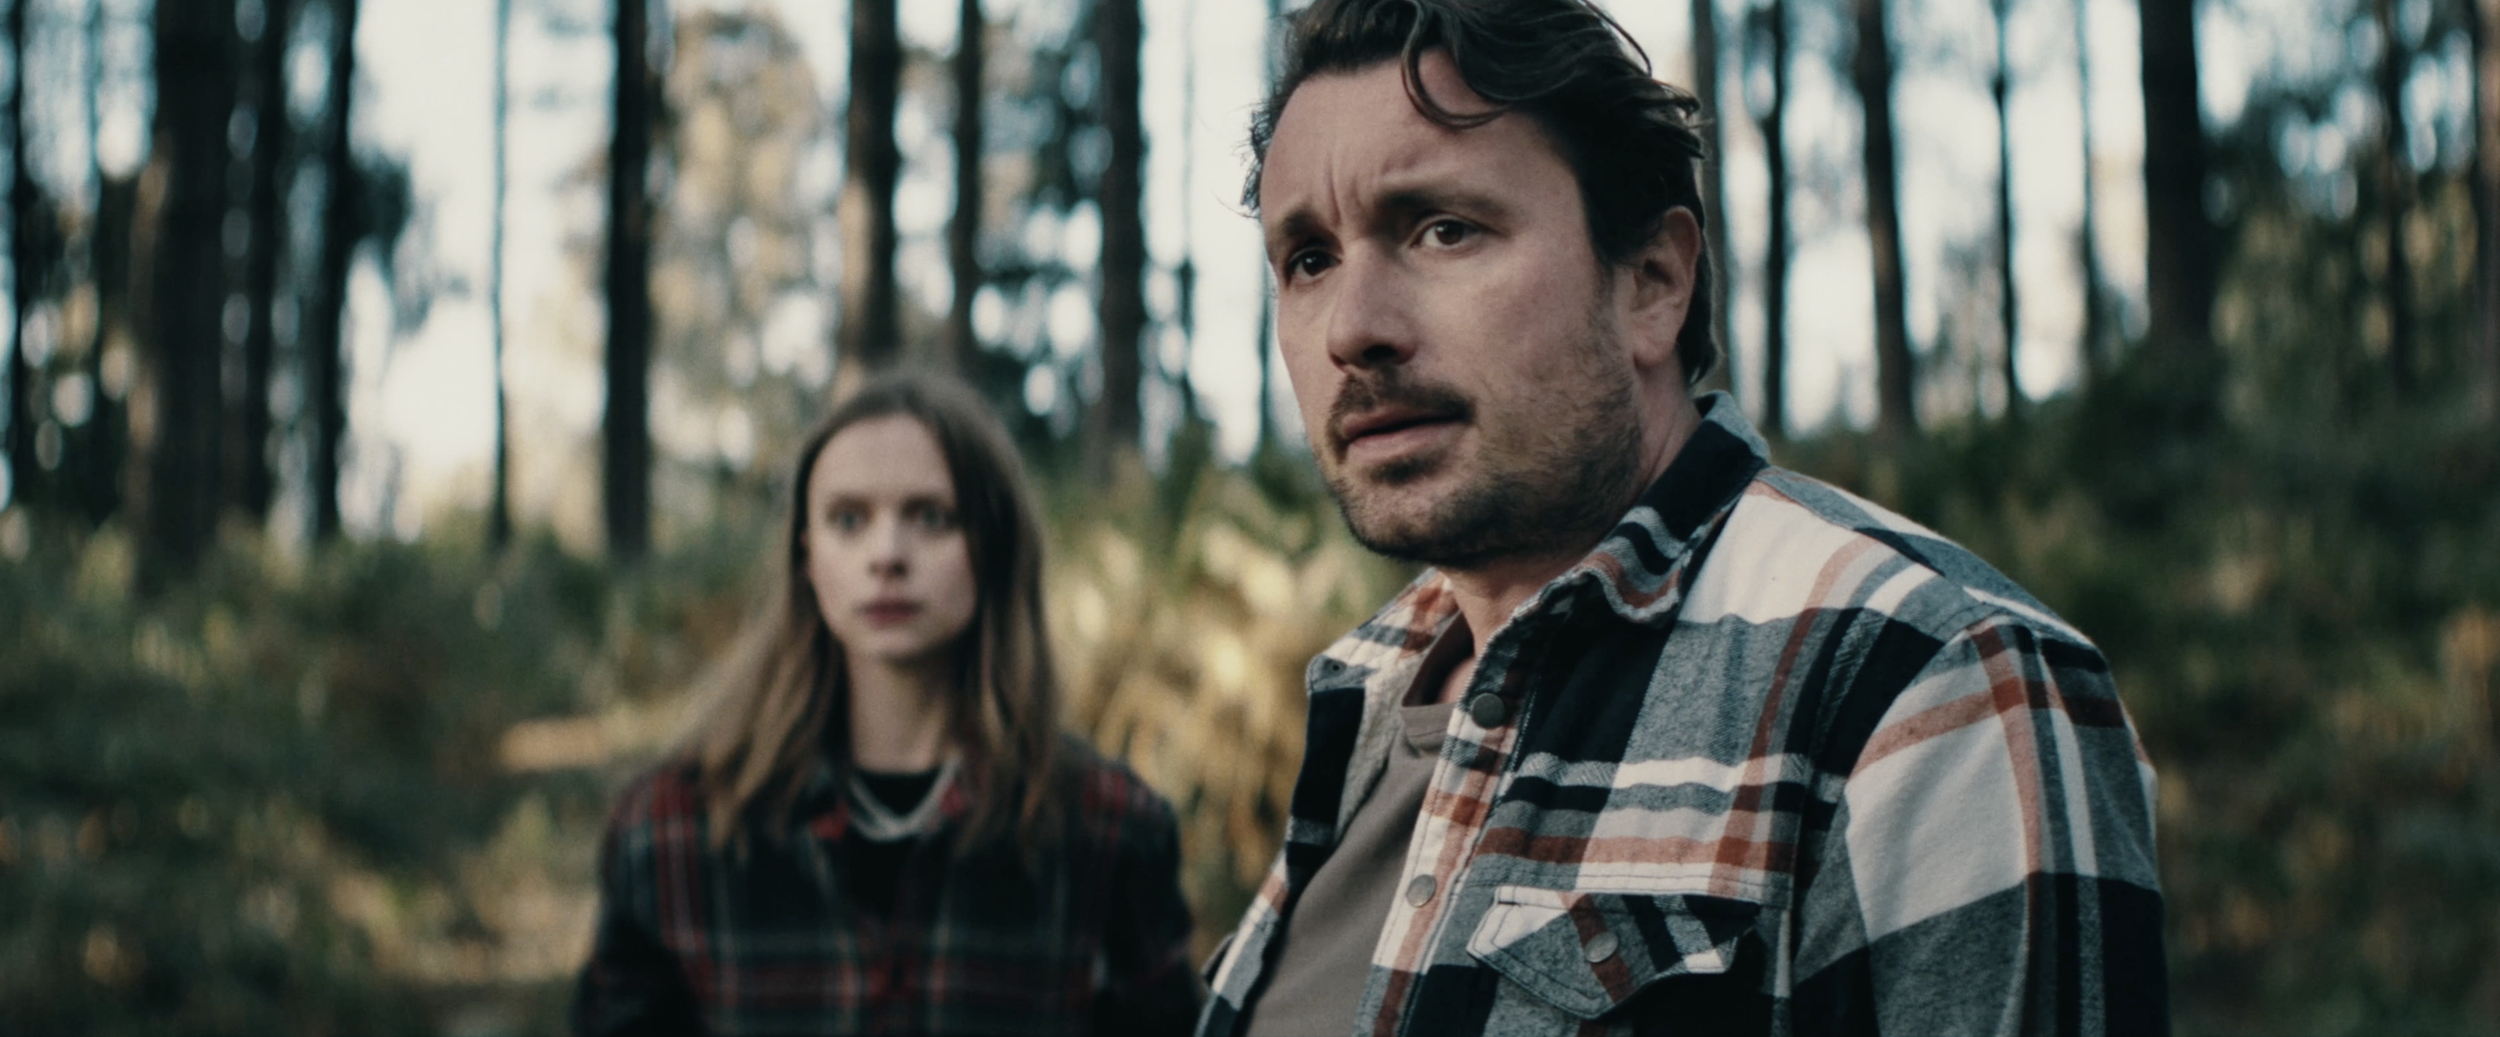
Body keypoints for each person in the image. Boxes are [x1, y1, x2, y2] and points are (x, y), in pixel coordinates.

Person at [1198, 1, 2167, 1035]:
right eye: (1308, 259)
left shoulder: (1937, 686)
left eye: (1443, 229)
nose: (1352, 328)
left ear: (1652, 283)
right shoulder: (1368, 688)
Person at [574, 372, 1201, 1036]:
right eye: (849, 519)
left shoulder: (1112, 830)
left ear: (992, 544)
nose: (887, 556)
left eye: (932, 517)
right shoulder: (669, 830)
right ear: (806, 554)